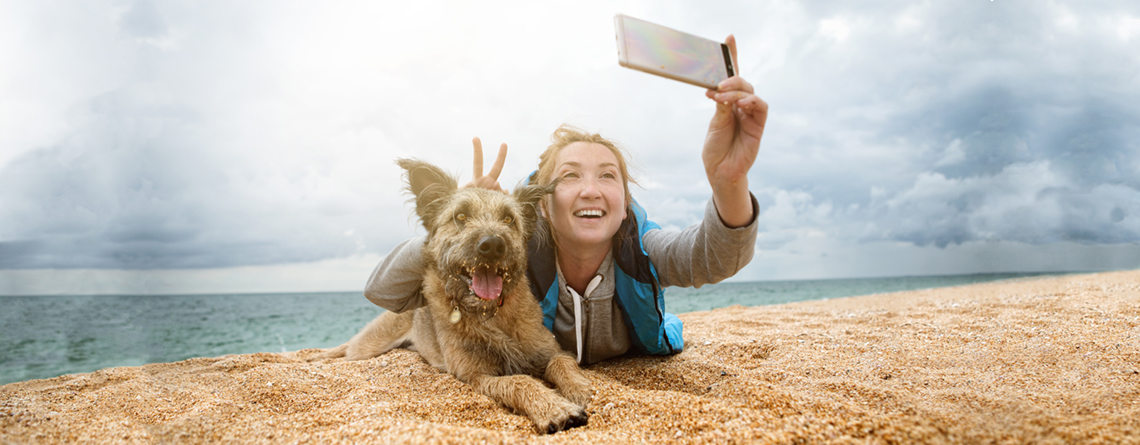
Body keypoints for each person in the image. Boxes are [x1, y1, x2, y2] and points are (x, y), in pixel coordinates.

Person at [364, 35, 767, 365]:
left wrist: (729, 181)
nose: (591, 189)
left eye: (608, 176)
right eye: (570, 176)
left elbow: (713, 256)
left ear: (624, 204)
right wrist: (457, 224)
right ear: (542, 206)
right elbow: (385, 292)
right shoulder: (514, 255)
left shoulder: (640, 249)